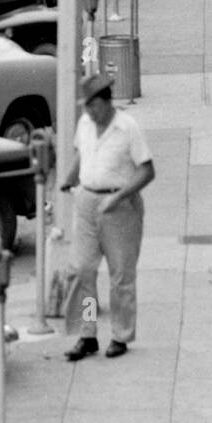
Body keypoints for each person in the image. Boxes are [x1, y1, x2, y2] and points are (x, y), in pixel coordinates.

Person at [60, 74, 156, 361]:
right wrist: (70, 178)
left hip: (119, 205)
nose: (90, 112)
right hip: (87, 202)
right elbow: (82, 155)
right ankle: (87, 333)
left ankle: (120, 335)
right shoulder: (85, 124)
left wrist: (118, 196)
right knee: (83, 269)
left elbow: (147, 170)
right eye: (86, 106)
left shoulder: (127, 128)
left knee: (120, 275)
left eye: (94, 106)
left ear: (107, 102)